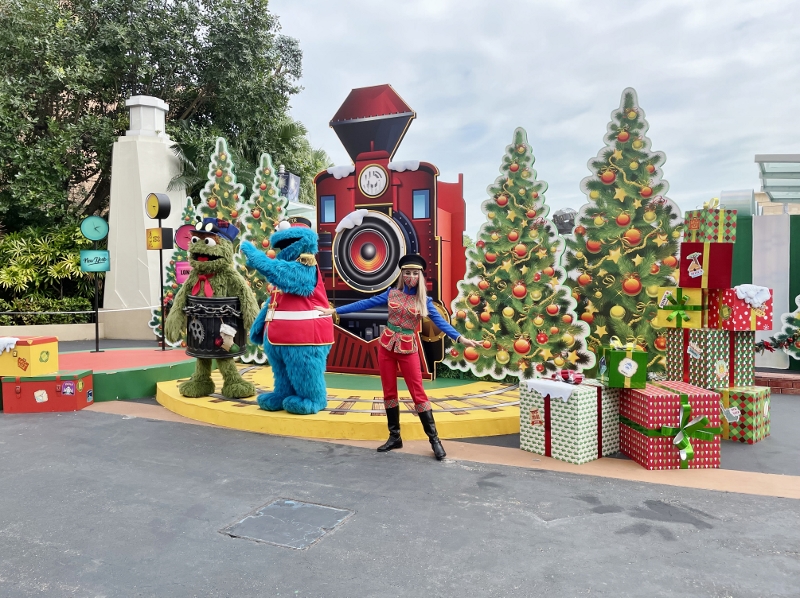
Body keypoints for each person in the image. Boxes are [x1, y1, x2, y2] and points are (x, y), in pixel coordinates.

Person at [316, 254, 480, 461]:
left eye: (414, 273)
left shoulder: (425, 301)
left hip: (407, 349)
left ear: (420, 276)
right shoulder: (391, 294)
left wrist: (461, 338)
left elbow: (441, 323)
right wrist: (334, 310)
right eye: (407, 272)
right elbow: (364, 304)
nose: (411, 276)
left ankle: (434, 440)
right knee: (389, 392)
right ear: (402, 275)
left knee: (418, 394)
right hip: (386, 347)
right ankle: (395, 436)